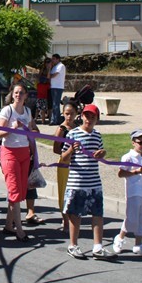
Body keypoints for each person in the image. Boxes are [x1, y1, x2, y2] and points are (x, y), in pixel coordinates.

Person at [60, 104, 115, 260]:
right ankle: (73, 245)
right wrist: (71, 150)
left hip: (94, 182)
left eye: (93, 117)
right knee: (75, 215)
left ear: (96, 119)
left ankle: (97, 246)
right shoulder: (72, 134)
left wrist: (102, 153)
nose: (89, 120)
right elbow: (64, 158)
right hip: (77, 182)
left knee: (97, 214)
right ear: (81, 116)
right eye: (87, 116)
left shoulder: (97, 135)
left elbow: (100, 153)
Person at [0, 83, 38, 242]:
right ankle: (19, 230)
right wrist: (12, 128)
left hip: (24, 152)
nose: (19, 95)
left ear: (26, 96)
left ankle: (8, 225)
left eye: (22, 93)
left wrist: (31, 132)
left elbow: (32, 130)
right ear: (12, 94)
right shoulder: (7, 110)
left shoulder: (27, 111)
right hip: (9, 152)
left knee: (20, 191)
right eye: (16, 92)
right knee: (14, 191)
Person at [112, 129, 142, 256]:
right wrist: (135, 172)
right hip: (133, 191)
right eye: (140, 142)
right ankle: (120, 238)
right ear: (133, 142)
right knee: (131, 218)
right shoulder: (128, 157)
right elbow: (120, 173)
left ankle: (138, 244)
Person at [53, 102, 78, 233]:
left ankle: (73, 217)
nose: (69, 117)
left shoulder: (78, 128)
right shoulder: (61, 129)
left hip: (77, 163)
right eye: (67, 114)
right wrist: (67, 153)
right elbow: (55, 148)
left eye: (72, 114)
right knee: (63, 191)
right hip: (64, 163)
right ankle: (65, 218)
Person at [48, 54, 66, 125]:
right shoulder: (54, 67)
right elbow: (49, 76)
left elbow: (54, 75)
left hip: (58, 87)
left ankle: (55, 120)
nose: (52, 60)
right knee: (54, 104)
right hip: (53, 87)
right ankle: (57, 119)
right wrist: (49, 68)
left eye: (54, 59)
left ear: (58, 59)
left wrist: (50, 75)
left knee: (56, 104)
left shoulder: (61, 66)